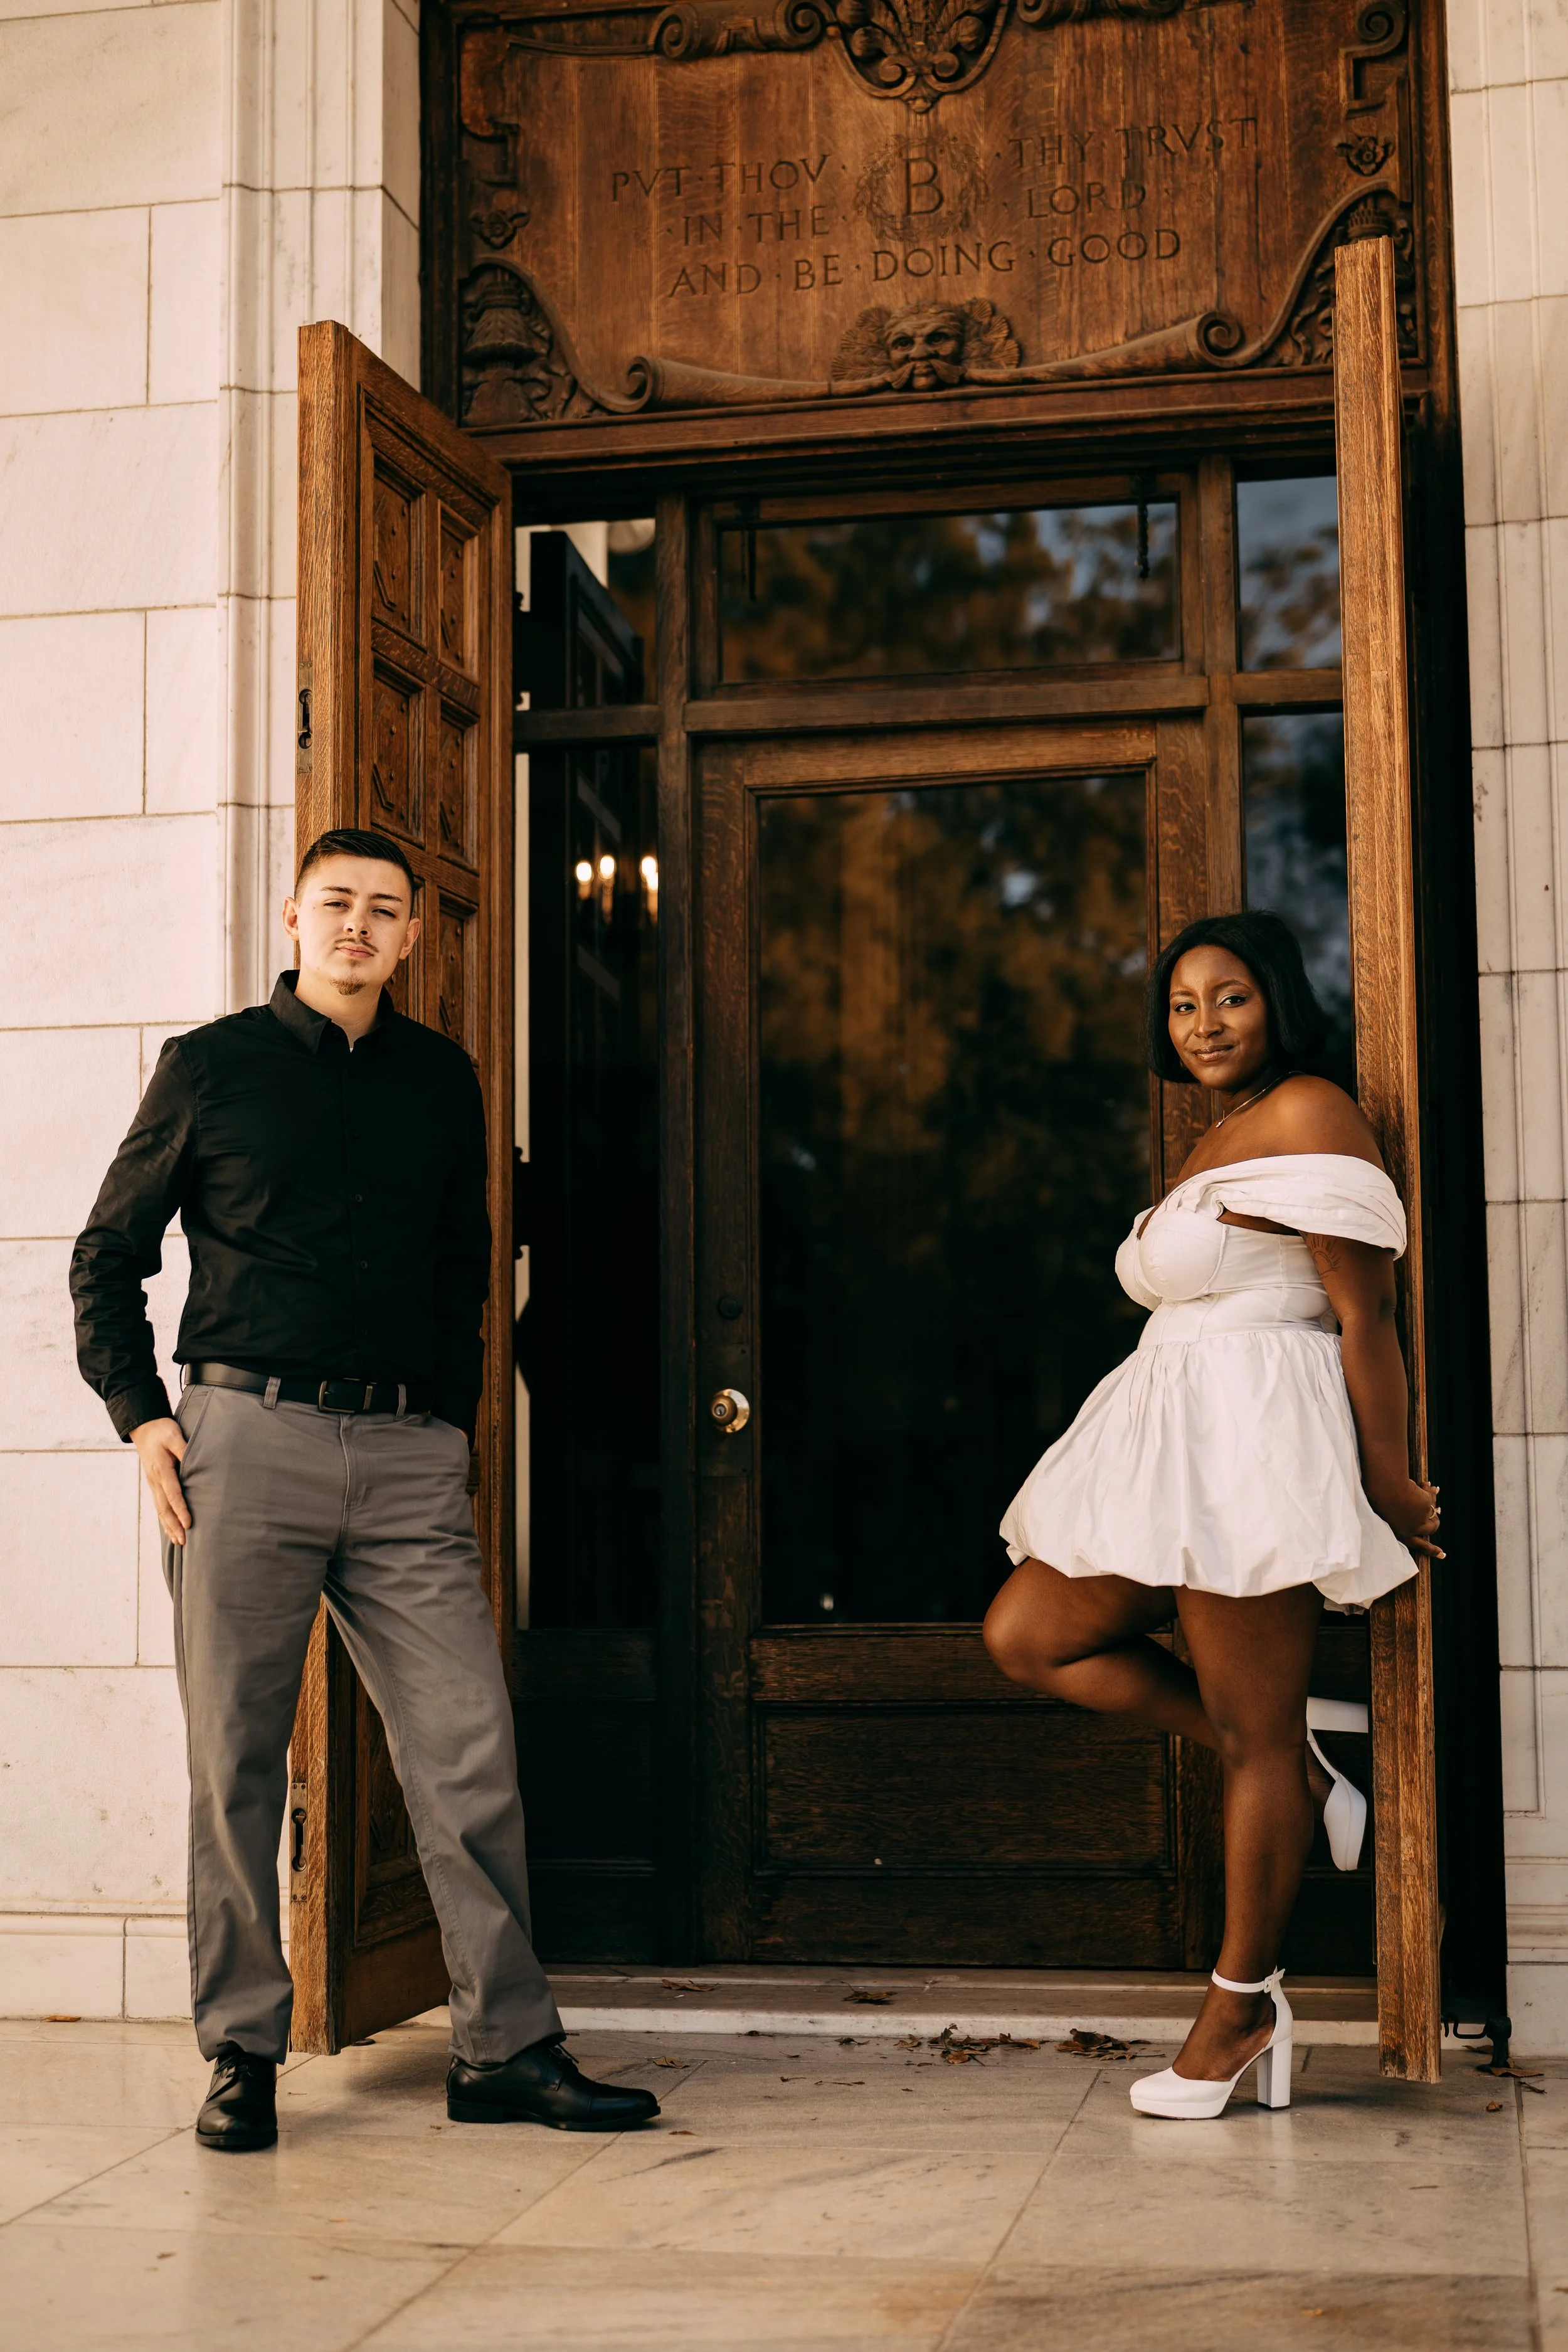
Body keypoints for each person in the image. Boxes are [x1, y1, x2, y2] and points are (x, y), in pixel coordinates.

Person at [70, 827, 659, 2151]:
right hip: (243, 1443)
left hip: (404, 1459)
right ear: (293, 918)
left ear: (409, 938)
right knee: (234, 1763)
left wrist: (447, 1424)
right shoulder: (209, 1068)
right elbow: (108, 1251)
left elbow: (466, 1267)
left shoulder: (441, 1080)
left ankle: (505, 2050)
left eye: (382, 912)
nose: (356, 928)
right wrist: (143, 1418)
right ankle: (240, 2054)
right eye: (334, 904)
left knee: (469, 1752)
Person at [983, 909, 1443, 2120]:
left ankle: (1241, 2008)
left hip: (1248, 1444)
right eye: (1184, 1005)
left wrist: (1386, 1477)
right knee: (1031, 1633)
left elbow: (1365, 1314)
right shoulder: (1218, 1137)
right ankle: (1303, 1753)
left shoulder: (1313, 1111)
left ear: (1276, 999)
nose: (1204, 1025)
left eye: (1228, 997)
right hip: (1166, 1438)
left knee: (1247, 1736)